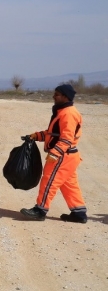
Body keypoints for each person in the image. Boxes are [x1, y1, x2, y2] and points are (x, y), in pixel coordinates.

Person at [20, 84, 88, 223]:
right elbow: (53, 134)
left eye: (56, 94)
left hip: (63, 156)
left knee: (49, 181)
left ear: (65, 97)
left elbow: (66, 138)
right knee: (69, 185)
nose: (53, 96)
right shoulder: (63, 112)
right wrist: (36, 136)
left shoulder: (68, 114)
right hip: (69, 156)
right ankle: (79, 213)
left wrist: (55, 153)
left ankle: (40, 210)